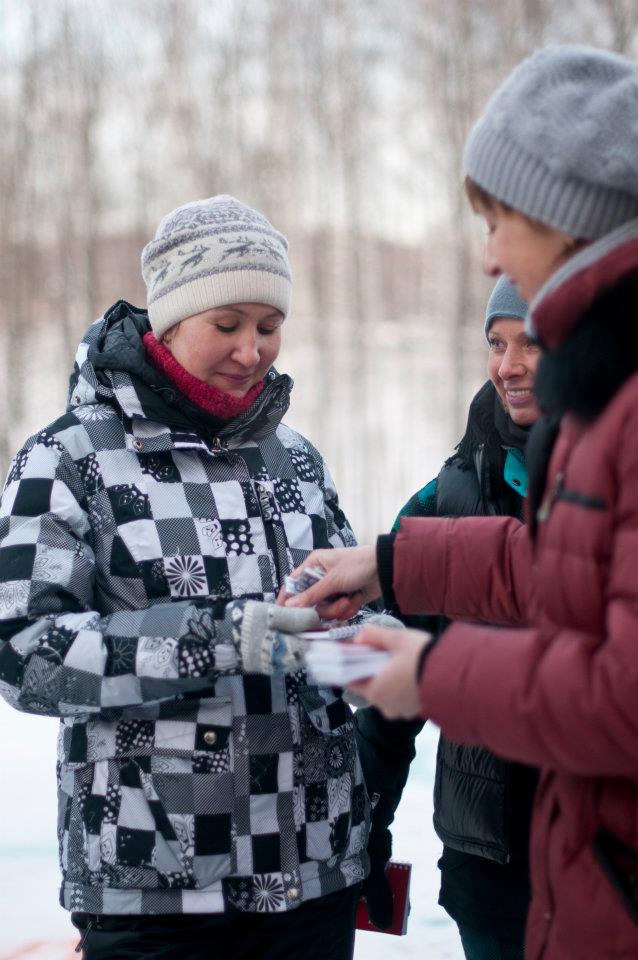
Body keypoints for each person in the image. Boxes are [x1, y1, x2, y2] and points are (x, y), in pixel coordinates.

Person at [285, 46, 638, 960]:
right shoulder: (602, 392)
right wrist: (391, 560)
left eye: (497, 219)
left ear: (565, 218)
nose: (489, 253)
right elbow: (560, 563)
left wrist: (432, 676)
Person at [0, 195, 373, 960]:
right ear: (167, 323)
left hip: (313, 872)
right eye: (227, 325)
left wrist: (374, 645)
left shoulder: (293, 457)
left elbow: (349, 602)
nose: (252, 351)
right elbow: (22, 653)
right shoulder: (72, 460)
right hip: (159, 886)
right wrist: (217, 638)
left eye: (269, 327)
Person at [357, 276, 539, 960]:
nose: (508, 365)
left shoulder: (615, 482)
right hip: (488, 866)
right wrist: (366, 824)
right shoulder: (452, 489)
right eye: (497, 342)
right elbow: (394, 679)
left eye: (533, 343)